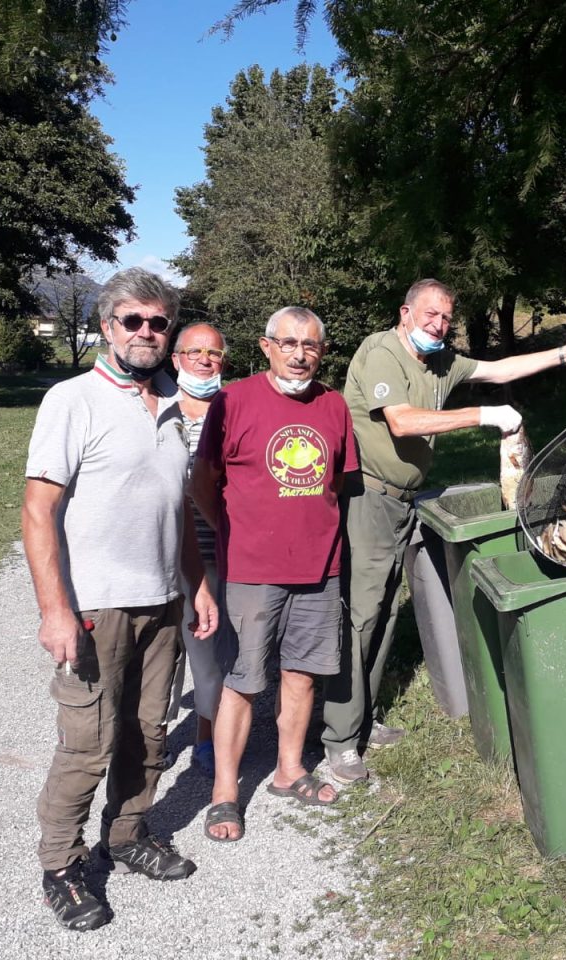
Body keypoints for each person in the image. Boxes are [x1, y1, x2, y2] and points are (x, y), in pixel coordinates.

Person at [321, 278, 566, 784]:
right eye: (430, 314)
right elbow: (402, 422)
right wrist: (484, 415)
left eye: (446, 317)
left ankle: (364, 719)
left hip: (402, 501)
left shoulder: (441, 361)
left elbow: (501, 368)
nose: (438, 324)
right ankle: (338, 740)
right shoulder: (381, 352)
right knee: (361, 617)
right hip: (367, 496)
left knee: (384, 615)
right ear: (405, 313)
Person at [23, 267, 218, 932]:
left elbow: (178, 504)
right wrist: (55, 609)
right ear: (108, 327)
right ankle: (62, 866)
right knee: (88, 744)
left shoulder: (171, 404)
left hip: (161, 602)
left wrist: (195, 586)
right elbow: (37, 511)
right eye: (131, 320)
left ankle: (128, 832)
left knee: (148, 733)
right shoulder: (72, 400)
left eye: (157, 322)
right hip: (95, 608)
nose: (145, 331)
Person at [191, 306, 357, 842]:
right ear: (266, 347)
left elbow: (341, 483)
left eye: (310, 345)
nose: (299, 354)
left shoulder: (334, 405)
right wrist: (231, 531)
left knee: (302, 673)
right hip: (251, 570)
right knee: (242, 679)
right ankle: (224, 793)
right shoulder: (232, 401)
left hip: (319, 568)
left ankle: (289, 770)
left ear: (322, 352)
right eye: (288, 343)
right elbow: (202, 483)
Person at [161, 322, 228, 777]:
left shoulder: (234, 407)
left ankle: (207, 739)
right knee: (161, 655)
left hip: (214, 553)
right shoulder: (158, 409)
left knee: (211, 654)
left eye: (214, 353)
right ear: (176, 359)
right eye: (195, 351)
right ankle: (154, 738)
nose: (205, 359)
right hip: (161, 556)